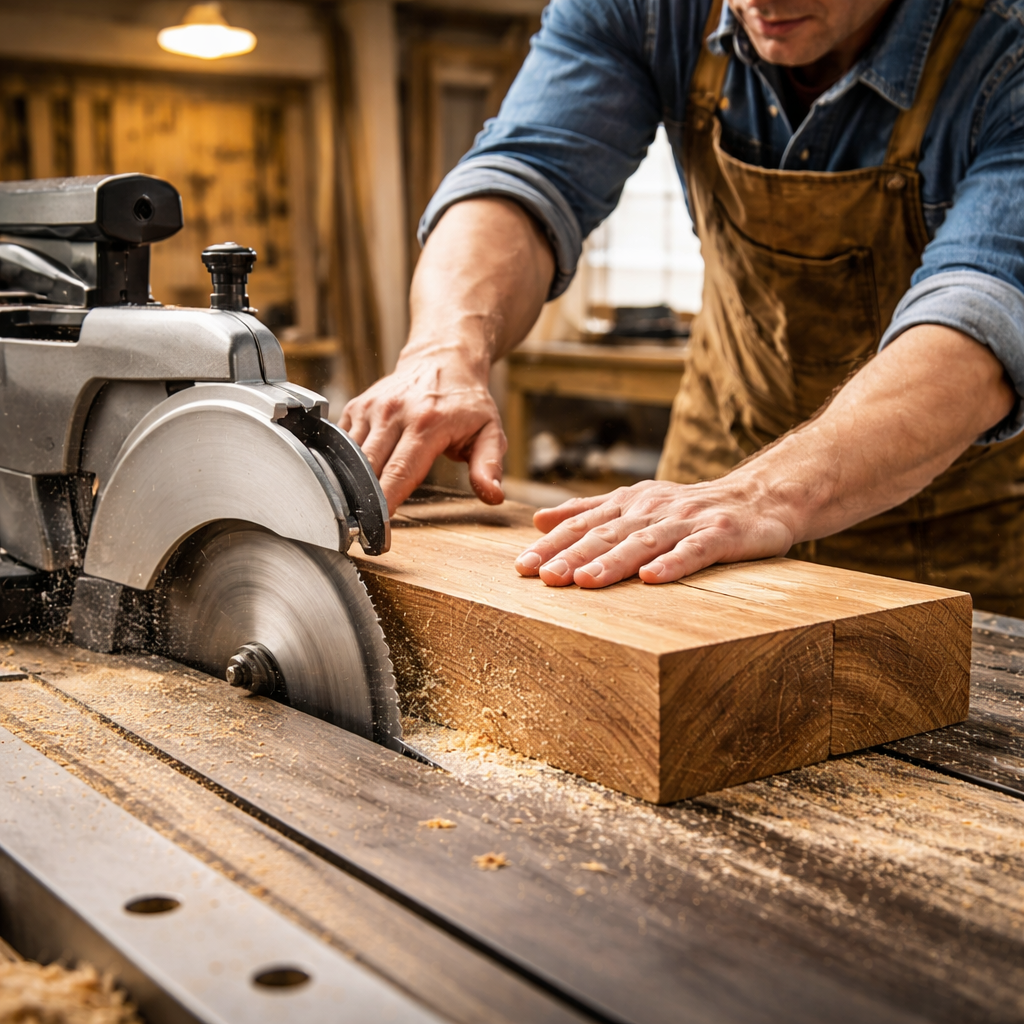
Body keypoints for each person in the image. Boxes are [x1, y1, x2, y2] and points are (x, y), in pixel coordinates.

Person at [341, 0, 1024, 614]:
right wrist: (443, 349)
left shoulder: (1007, 44)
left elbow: (983, 309)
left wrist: (765, 495)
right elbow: (526, 172)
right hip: (718, 464)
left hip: (959, 508)